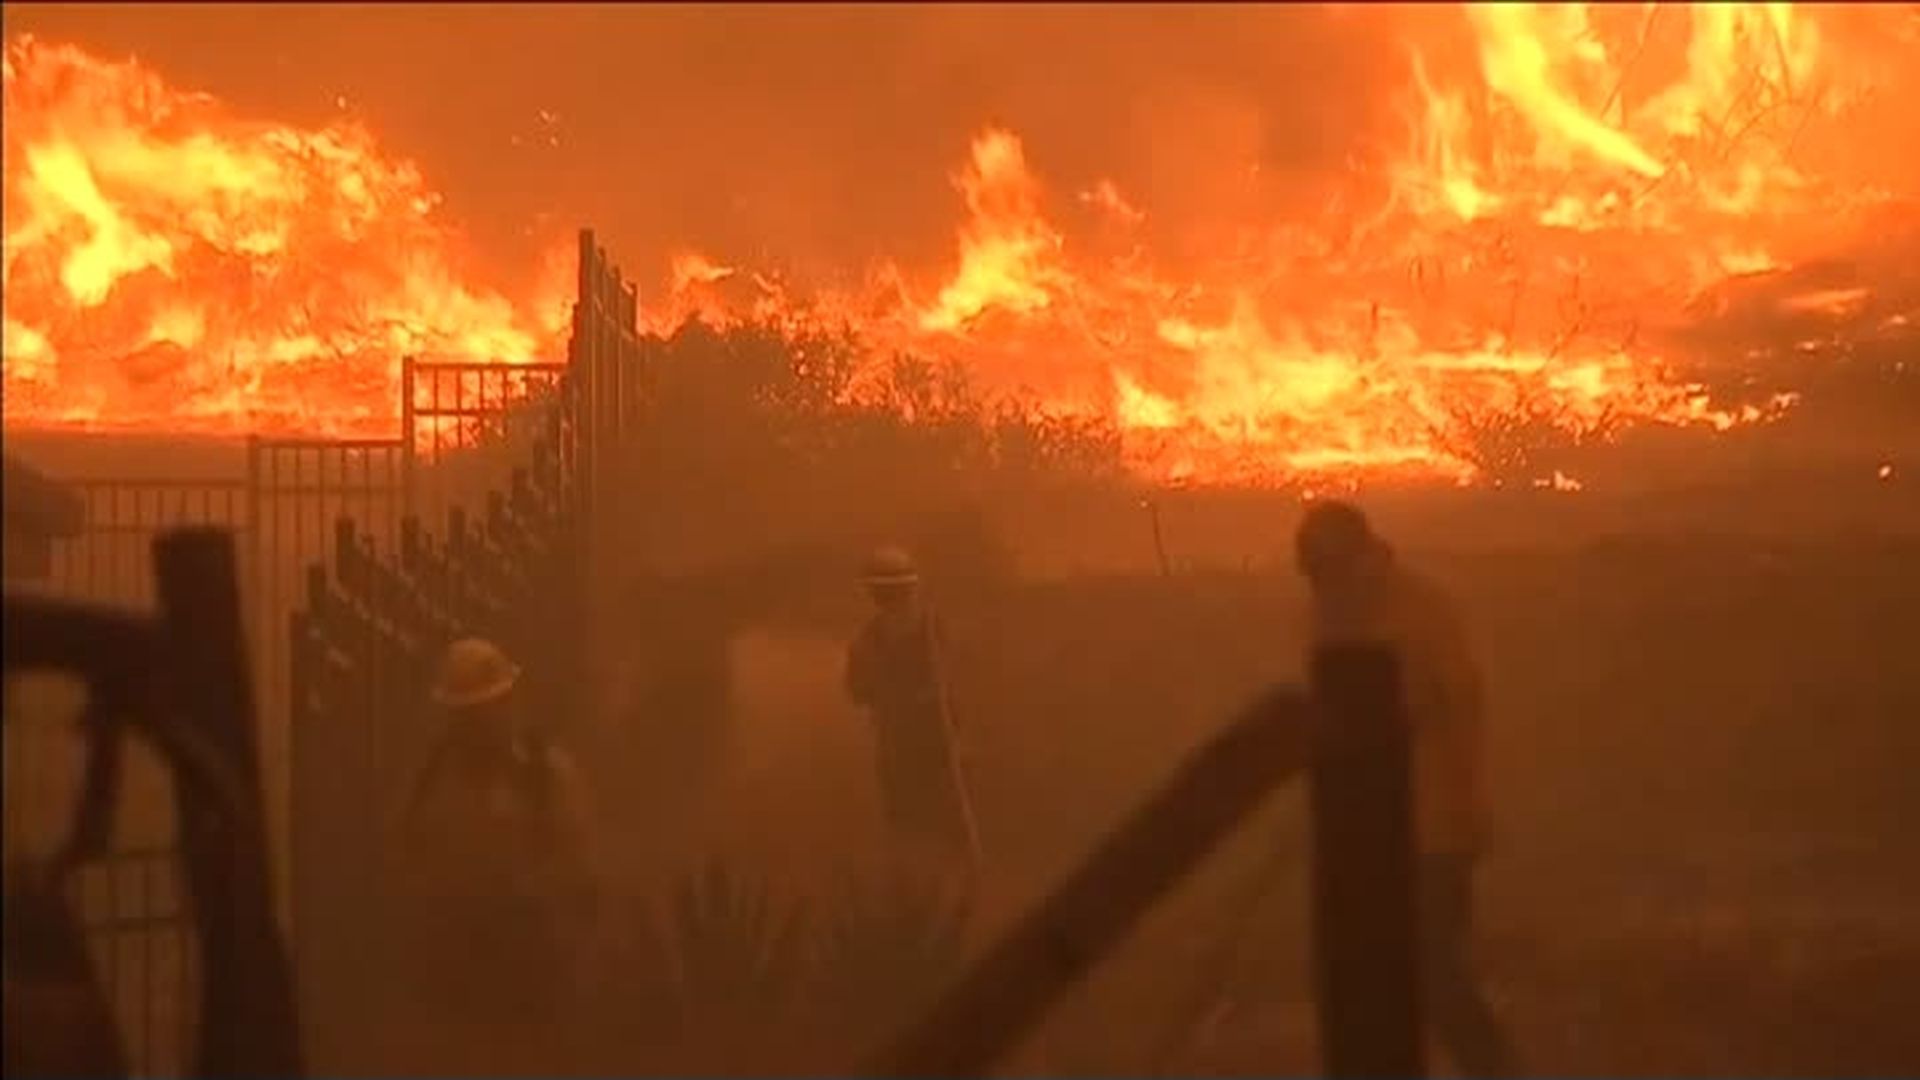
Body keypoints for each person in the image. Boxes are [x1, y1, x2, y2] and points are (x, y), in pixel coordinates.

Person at [1293, 501, 1517, 1077]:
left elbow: (1463, 708)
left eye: (1333, 569)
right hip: (1362, 835)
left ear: (1364, 556)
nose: (1326, 585)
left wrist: (1468, 812)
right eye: (1317, 574)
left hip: (1435, 829)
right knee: (1368, 979)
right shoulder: (1325, 616)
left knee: (1434, 972)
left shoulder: (1424, 610)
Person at [392, 637, 598, 1074]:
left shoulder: (545, 775)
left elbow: (580, 872)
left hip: (531, 974)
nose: (482, 724)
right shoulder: (429, 782)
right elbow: (407, 865)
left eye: (490, 708)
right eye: (470, 714)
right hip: (456, 977)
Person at [843, 546, 981, 880]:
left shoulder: (930, 630)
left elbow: (956, 675)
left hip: (933, 736)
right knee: (912, 813)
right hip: (906, 737)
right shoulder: (872, 639)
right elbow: (858, 690)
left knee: (937, 810)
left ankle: (945, 876)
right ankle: (920, 877)